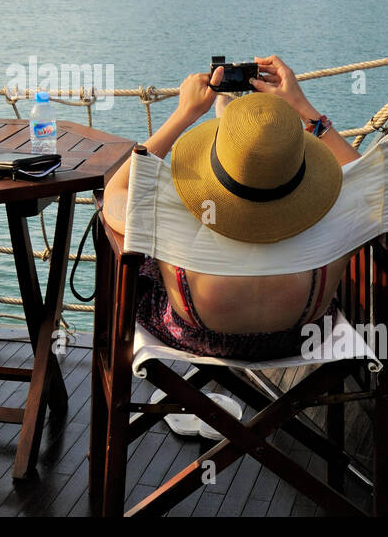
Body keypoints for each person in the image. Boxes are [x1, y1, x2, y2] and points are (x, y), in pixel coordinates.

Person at [101, 54, 363, 360]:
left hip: (197, 333)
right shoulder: (339, 206)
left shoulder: (173, 212)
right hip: (306, 334)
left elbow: (116, 193)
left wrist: (184, 114)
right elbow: (372, 179)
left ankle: (223, 119)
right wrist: (304, 109)